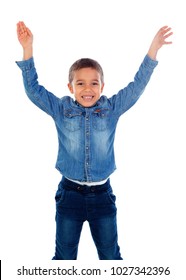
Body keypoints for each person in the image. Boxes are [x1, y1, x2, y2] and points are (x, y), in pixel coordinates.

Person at [16, 21, 173, 260]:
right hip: (69, 195)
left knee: (110, 256)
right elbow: (33, 90)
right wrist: (28, 49)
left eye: (94, 83)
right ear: (70, 86)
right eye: (80, 83)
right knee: (65, 258)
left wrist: (154, 49)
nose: (87, 88)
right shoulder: (61, 108)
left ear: (102, 86)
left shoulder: (112, 108)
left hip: (102, 196)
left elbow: (137, 85)